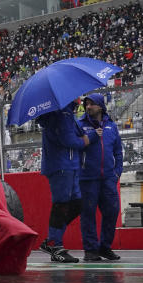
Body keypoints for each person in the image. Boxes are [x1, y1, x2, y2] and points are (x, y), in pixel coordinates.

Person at [37, 97, 97, 263]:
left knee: (75, 204)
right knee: (62, 205)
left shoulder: (65, 113)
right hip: (62, 165)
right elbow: (69, 140)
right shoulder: (62, 114)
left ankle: (52, 241)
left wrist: (86, 136)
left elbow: (72, 135)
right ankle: (55, 244)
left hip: (67, 164)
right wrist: (89, 138)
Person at [79, 94, 123, 262]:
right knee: (88, 214)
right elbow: (75, 147)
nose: (88, 107)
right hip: (87, 179)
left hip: (108, 179)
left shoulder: (111, 126)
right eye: (86, 104)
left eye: (91, 104)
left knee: (112, 211)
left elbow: (118, 151)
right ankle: (90, 251)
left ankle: (105, 247)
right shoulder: (80, 125)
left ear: (100, 106)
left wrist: (118, 171)